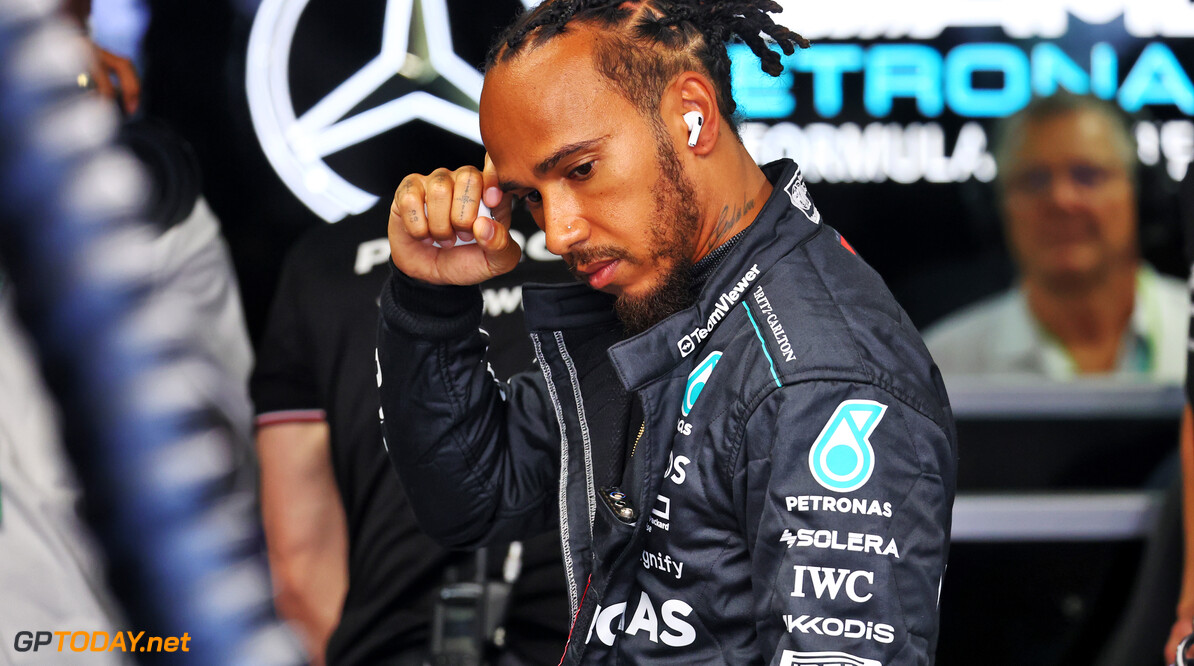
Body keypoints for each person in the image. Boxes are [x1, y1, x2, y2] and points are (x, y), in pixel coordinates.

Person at [376, 1, 958, 664]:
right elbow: (473, 497)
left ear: (694, 114)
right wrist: (430, 299)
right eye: (531, 195)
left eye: (580, 170)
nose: (558, 229)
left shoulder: (819, 377)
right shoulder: (672, 296)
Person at [252, 205, 571, 665]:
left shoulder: (321, 260)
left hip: (390, 639)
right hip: (597, 637)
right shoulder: (594, 237)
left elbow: (300, 558)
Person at [923, 93, 1187, 382]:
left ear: (1142, 194)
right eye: (1033, 180)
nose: (1060, 200)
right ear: (997, 207)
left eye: (1087, 175)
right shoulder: (940, 365)